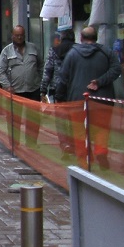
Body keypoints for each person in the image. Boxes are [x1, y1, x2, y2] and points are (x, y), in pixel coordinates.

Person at [55, 25, 122, 168]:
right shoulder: (106, 52)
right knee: (101, 127)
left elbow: (63, 78)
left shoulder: (72, 54)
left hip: (78, 100)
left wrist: (59, 97)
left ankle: (84, 160)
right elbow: (117, 69)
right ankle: (101, 151)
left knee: (80, 131)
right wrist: (100, 81)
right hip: (102, 100)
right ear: (96, 38)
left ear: (81, 38)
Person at [0, 25, 42, 145]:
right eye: (17, 35)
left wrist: (39, 81)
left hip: (33, 90)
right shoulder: (7, 51)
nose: (19, 38)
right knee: (14, 119)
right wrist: (7, 86)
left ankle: (32, 143)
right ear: (12, 36)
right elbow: (0, 72)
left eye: (21, 35)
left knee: (33, 118)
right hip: (15, 92)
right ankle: (14, 144)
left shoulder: (33, 48)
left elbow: (41, 66)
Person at [40, 29, 76, 158]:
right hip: (74, 90)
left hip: (58, 90)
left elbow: (48, 71)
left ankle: (65, 144)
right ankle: (75, 144)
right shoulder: (78, 50)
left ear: (61, 39)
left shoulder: (54, 51)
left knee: (61, 119)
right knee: (74, 119)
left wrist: (43, 89)